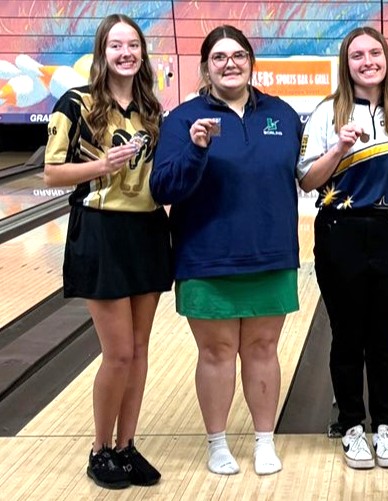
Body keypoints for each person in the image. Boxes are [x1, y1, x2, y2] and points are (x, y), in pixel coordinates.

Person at [150, 25, 302, 476]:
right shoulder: (183, 119)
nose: (229, 63)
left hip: (271, 253)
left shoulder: (282, 114)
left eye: (237, 55)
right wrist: (196, 148)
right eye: (219, 57)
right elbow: (163, 187)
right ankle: (217, 443)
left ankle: (264, 441)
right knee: (215, 353)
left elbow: (304, 174)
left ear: (251, 62)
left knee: (263, 348)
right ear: (204, 67)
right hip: (206, 255)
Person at [43, 14, 171, 490]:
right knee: (117, 354)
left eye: (133, 45)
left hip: (148, 232)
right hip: (100, 231)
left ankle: (126, 445)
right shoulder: (76, 103)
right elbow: (52, 174)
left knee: (139, 352)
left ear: (141, 52)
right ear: (103, 52)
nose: (125, 53)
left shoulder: (150, 108)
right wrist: (102, 164)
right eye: (116, 45)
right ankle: (100, 449)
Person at [297, 27, 388, 470]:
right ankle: (350, 425)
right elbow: (307, 180)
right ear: (346, 64)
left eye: (375, 53)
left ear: (386, 59)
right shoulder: (327, 112)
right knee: (347, 335)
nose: (367, 61)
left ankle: (384, 424)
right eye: (357, 55)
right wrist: (339, 148)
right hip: (339, 230)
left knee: (385, 338)